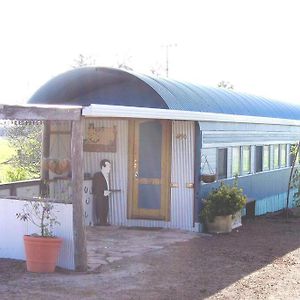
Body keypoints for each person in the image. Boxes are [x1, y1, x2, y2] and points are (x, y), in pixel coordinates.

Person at [92, 159, 111, 225]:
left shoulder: (106, 175)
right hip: (100, 198)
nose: (110, 168)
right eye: (108, 166)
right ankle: (101, 225)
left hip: (105, 197)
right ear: (103, 167)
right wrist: (103, 193)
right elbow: (95, 188)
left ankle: (104, 223)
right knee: (100, 211)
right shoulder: (97, 175)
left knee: (105, 211)